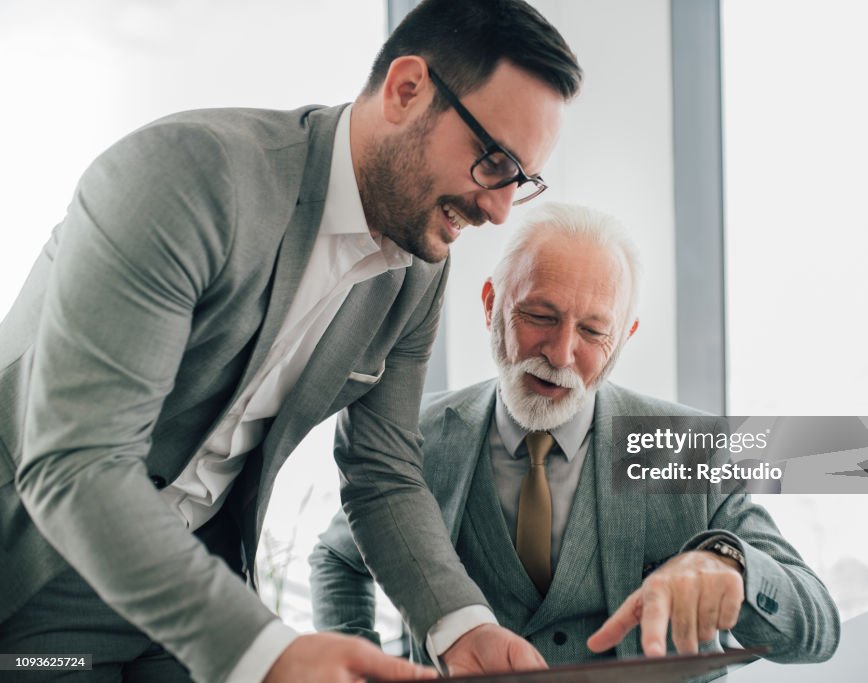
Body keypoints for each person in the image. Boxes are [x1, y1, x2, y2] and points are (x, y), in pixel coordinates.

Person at [0, 1, 581, 681]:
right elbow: (78, 461)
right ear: (406, 90)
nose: (498, 207)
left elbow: (382, 472)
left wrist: (462, 625)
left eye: (522, 180)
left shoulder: (418, 268)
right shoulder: (185, 176)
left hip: (195, 587)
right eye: (493, 161)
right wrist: (266, 651)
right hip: (32, 581)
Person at [309, 203, 841, 678]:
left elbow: (819, 630)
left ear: (624, 338)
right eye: (540, 316)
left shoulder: (691, 449)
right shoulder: (414, 438)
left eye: (592, 331)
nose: (562, 354)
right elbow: (339, 558)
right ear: (491, 304)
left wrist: (732, 564)